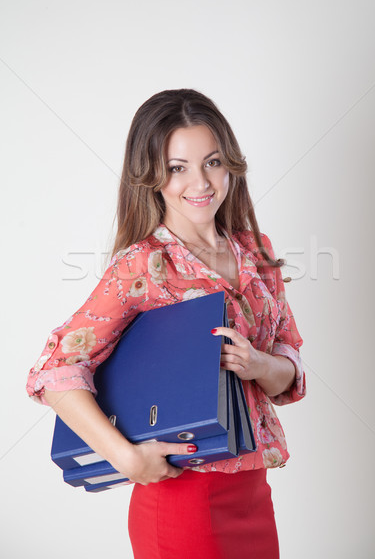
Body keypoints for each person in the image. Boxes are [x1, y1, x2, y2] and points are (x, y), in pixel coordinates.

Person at [26, 88, 306, 558]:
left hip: (253, 492)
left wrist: (258, 363)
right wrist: (126, 458)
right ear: (152, 176)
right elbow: (54, 370)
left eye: (212, 162)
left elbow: (290, 367)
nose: (201, 182)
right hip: (181, 497)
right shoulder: (143, 265)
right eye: (178, 168)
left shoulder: (256, 251)